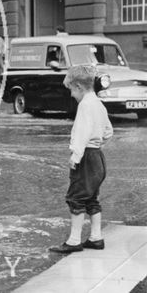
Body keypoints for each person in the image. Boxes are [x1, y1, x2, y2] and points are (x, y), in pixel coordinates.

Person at [50, 65, 113, 253]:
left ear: (78, 86)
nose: (71, 95)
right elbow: (109, 131)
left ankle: (74, 240)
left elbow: (82, 133)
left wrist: (75, 156)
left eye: (70, 89)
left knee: (76, 197)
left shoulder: (85, 105)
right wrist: (99, 144)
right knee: (92, 198)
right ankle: (96, 237)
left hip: (85, 156)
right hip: (98, 157)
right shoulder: (98, 104)